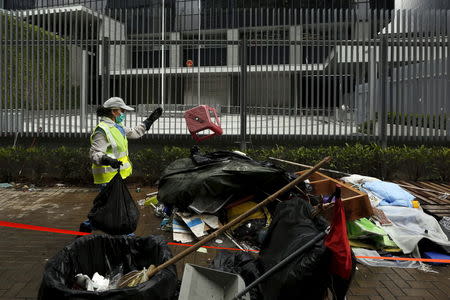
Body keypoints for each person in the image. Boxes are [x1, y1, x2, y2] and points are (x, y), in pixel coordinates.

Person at [79, 97, 162, 233]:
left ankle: (88, 225)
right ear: (113, 111)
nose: (123, 113)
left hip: (117, 176)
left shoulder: (117, 127)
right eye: (122, 110)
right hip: (107, 177)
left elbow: (134, 133)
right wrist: (107, 160)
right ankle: (126, 235)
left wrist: (150, 121)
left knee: (107, 206)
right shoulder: (102, 130)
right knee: (116, 207)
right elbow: (94, 153)